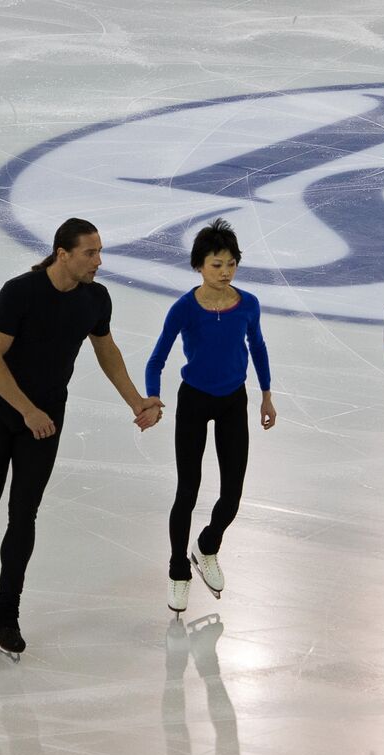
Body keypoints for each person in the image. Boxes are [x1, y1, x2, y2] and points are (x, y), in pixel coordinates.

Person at [0, 218, 164, 659]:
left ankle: (6, 615)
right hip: (1, 413)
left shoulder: (95, 299)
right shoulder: (20, 292)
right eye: (90, 253)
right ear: (63, 254)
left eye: (100, 252)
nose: (99, 262)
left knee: (23, 516)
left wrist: (136, 400)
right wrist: (27, 410)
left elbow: (106, 351)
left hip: (45, 422)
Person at [145, 219, 275, 614]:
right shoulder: (184, 308)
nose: (225, 272)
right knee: (188, 491)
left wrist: (267, 396)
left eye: (231, 264)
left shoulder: (248, 304)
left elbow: (259, 348)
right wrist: (153, 397)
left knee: (231, 495)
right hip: (195, 401)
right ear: (199, 265)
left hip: (234, 400)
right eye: (216, 264)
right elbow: (157, 358)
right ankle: (177, 571)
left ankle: (206, 546)